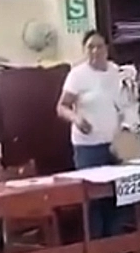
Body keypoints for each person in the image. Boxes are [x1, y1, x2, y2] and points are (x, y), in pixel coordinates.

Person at [56, 29, 133, 239]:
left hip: (116, 143)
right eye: (90, 46)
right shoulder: (77, 75)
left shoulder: (115, 72)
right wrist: (77, 119)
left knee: (118, 194)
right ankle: (96, 246)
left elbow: (125, 105)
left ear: (107, 49)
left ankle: (114, 242)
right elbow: (62, 107)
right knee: (93, 198)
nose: (95, 51)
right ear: (84, 50)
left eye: (99, 46)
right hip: (88, 146)